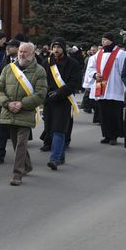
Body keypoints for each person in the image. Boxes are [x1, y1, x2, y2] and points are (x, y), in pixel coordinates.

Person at [0, 42, 47, 186]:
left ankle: (17, 173)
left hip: (26, 111)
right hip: (9, 110)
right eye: (20, 51)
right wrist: (7, 103)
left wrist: (22, 104)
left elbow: (41, 93)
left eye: (25, 52)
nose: (22, 54)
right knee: (17, 143)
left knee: (22, 143)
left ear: (33, 53)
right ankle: (27, 166)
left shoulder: (39, 71)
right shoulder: (8, 68)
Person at [41, 38, 80, 170]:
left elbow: (74, 83)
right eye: (54, 47)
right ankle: (61, 155)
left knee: (59, 129)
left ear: (63, 48)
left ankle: (55, 158)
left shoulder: (72, 64)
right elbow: (41, 80)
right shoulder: (46, 63)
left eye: (58, 47)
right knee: (51, 129)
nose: (56, 50)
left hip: (64, 100)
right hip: (48, 100)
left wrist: (59, 93)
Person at [86, 32, 126, 145]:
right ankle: (106, 135)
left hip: (115, 88)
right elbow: (91, 68)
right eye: (102, 39)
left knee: (114, 113)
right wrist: (95, 74)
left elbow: (125, 71)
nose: (103, 42)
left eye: (105, 39)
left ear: (111, 40)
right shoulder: (98, 54)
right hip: (101, 88)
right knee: (103, 114)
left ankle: (114, 135)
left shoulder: (121, 54)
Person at [0, 38, 20, 164]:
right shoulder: (6, 60)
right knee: (2, 126)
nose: (8, 48)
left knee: (17, 130)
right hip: (5, 98)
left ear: (18, 49)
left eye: (11, 46)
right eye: (7, 46)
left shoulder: (24, 61)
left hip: (18, 99)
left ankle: (21, 157)